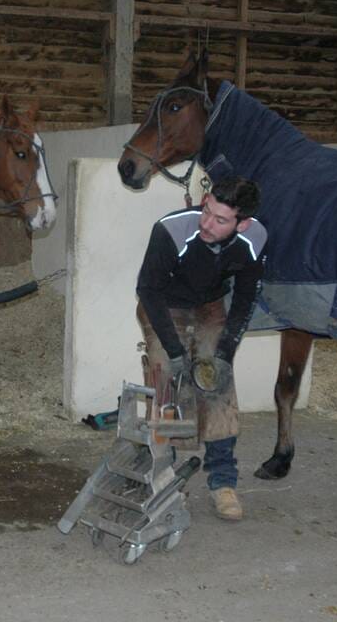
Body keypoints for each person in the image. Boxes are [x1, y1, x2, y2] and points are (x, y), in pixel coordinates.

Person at [136, 176, 265, 521]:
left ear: (244, 223)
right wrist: (176, 353)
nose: (207, 223)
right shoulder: (171, 230)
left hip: (209, 306)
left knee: (215, 380)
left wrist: (225, 353)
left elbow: (246, 297)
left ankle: (222, 481)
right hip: (163, 304)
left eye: (220, 220)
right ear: (204, 199)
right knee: (166, 378)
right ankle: (163, 475)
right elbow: (147, 291)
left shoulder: (254, 239)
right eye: (206, 210)